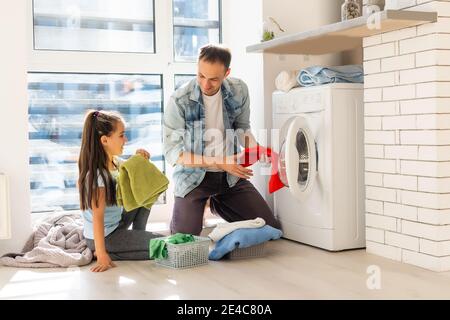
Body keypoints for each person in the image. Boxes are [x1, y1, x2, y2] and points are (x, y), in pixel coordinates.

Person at [163, 44, 281, 236]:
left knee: (270, 230)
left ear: (227, 73)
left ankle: (217, 202)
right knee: (185, 240)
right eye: (201, 76)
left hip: (230, 176)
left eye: (213, 79)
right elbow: (172, 153)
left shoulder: (239, 90)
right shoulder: (180, 100)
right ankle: (202, 201)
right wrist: (219, 162)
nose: (205, 84)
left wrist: (256, 149)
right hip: (193, 179)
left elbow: (242, 128)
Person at [78, 110, 159, 272]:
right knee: (161, 245)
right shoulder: (97, 176)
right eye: (122, 135)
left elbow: (133, 174)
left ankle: (137, 235)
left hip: (118, 224)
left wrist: (140, 159)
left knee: (146, 189)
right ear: (105, 140)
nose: (126, 140)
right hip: (105, 237)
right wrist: (101, 254)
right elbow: (97, 218)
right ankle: (112, 251)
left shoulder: (116, 163)